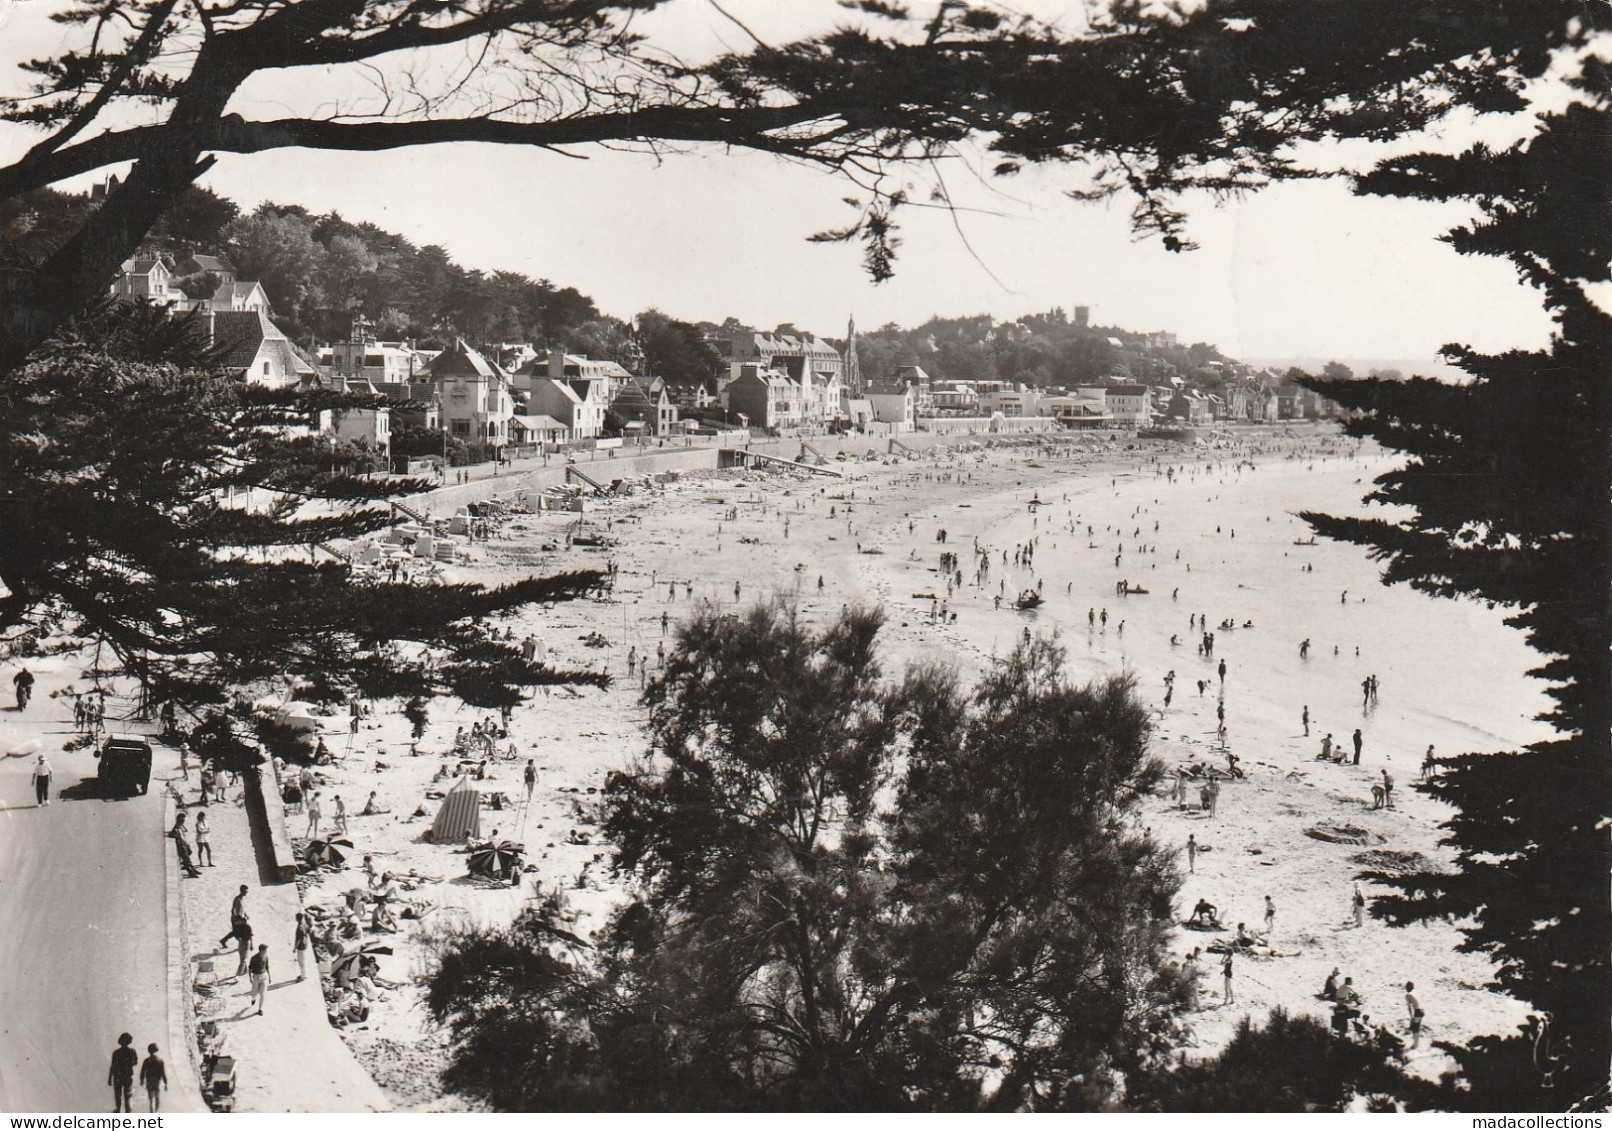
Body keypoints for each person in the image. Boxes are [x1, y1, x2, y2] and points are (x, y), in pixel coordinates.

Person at [108, 1033, 138, 1113]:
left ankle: (118, 1109)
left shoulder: (116, 1052)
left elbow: (113, 1066)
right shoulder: (132, 1052)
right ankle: (128, 1110)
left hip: (118, 1075)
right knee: (127, 1095)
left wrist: (110, 1078)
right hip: (128, 1075)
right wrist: (128, 1064)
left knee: (118, 1094)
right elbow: (135, 1062)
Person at [220, 884, 249, 950]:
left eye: (246, 892)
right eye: (244, 892)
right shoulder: (237, 899)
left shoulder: (241, 899)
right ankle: (241, 945)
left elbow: (242, 909)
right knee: (238, 933)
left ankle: (223, 940)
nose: (246, 893)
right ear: (241, 891)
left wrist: (245, 914)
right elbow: (234, 910)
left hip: (240, 918)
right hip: (236, 919)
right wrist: (237, 918)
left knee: (235, 932)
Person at [139, 1043, 167, 1112]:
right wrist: (165, 1082)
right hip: (157, 1080)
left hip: (149, 1080)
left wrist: (142, 1080)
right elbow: (163, 1072)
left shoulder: (146, 1060)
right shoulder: (160, 1060)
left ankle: (151, 1111)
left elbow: (143, 1071)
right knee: (157, 1097)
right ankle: (156, 1111)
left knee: (151, 1098)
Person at [248, 944, 270, 1015]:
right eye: (265, 950)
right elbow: (250, 968)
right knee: (254, 993)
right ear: (261, 951)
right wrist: (250, 977)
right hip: (256, 976)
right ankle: (253, 998)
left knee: (263, 994)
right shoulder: (254, 958)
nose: (266, 952)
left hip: (264, 976)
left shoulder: (266, 957)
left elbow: (267, 967)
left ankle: (260, 1009)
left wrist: (269, 977)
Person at [1405, 981, 1423, 1049]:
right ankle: (1416, 1044)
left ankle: (1415, 1045)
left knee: (1415, 1028)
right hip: (1422, 1010)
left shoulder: (1408, 995)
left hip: (1417, 1011)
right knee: (1417, 1027)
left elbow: (1409, 1008)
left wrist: (1411, 1017)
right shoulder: (1416, 993)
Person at [294, 912, 310, 981]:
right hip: (305, 943)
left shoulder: (300, 928)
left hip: (301, 946)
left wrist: (295, 948)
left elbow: (299, 939)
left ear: (297, 918)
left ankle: (303, 976)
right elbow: (309, 931)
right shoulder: (305, 924)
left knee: (301, 961)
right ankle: (303, 974)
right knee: (303, 960)